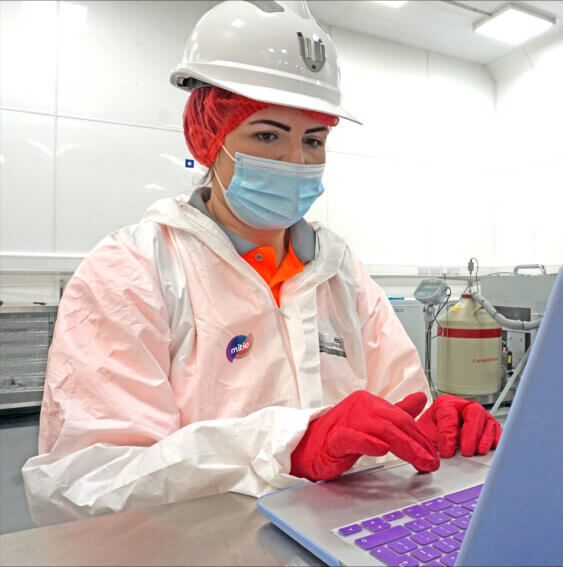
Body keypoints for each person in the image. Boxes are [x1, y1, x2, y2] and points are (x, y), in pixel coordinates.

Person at [22, 0, 500, 525]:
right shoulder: (132, 271)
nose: (297, 161)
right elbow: (84, 484)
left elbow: (397, 412)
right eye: (268, 135)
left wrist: (435, 426)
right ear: (210, 138)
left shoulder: (338, 270)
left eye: (313, 139)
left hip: (341, 541)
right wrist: (287, 446)